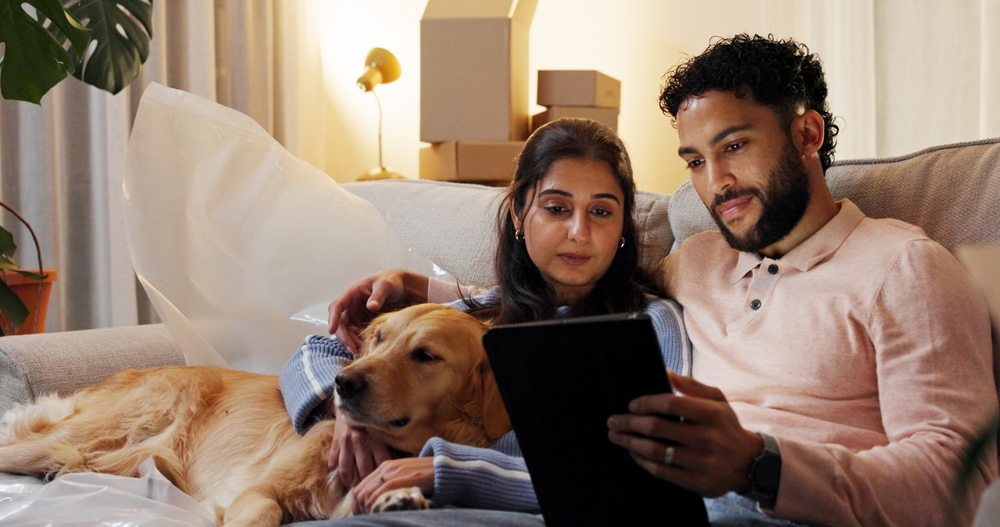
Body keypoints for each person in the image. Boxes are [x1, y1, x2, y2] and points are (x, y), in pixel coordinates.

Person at [310, 35, 998, 527]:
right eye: (694, 160)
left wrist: (759, 464)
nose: (715, 183)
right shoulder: (694, 263)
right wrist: (429, 294)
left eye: (734, 147)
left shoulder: (906, 268)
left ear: (808, 135)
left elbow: (955, 484)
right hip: (625, 500)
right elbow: (563, 303)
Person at [279, 118, 691, 516]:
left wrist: (453, 471)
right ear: (518, 213)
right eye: (556, 208)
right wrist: (347, 413)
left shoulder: (653, 324)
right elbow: (316, 350)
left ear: (623, 224)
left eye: (601, 212)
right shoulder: (483, 314)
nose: (579, 233)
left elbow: (650, 467)